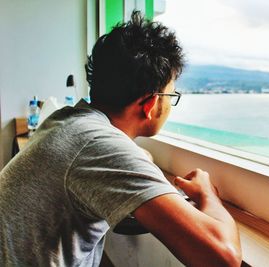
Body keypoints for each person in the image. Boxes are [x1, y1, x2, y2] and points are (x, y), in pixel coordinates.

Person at [0, 11, 242, 267]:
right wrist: (208, 193)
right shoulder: (97, 145)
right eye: (171, 96)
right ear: (150, 104)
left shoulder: (67, 121)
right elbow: (223, 257)